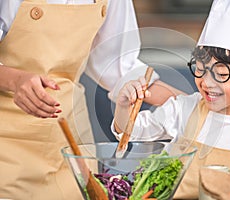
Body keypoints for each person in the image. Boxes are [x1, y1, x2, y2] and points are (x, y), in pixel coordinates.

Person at [0, 0, 183, 199]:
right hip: (7, 141)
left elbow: (118, 65)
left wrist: (194, 103)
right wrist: (14, 80)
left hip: (69, 142)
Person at [112, 0, 230, 198]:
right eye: (201, 68)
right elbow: (132, 131)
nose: (207, 82)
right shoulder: (183, 108)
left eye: (221, 73)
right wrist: (123, 107)